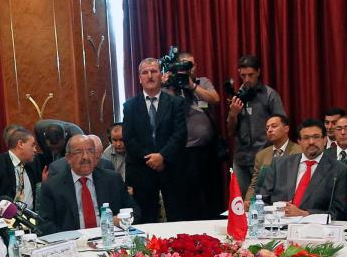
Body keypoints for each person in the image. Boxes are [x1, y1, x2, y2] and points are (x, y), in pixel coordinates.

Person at [120, 57, 188, 221]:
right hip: (142, 170)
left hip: (170, 167)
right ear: (139, 78)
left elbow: (180, 134)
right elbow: (129, 139)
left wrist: (162, 157)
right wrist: (151, 159)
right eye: (145, 72)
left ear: (161, 75)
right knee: (144, 219)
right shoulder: (129, 106)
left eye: (154, 71)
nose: (149, 76)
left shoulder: (176, 103)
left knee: (176, 217)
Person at [38, 134, 136, 233]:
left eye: (90, 151)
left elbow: (134, 211)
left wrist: (121, 219)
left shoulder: (113, 179)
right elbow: (44, 224)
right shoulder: (52, 186)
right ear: (68, 158)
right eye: (79, 152)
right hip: (73, 242)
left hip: (108, 238)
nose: (85, 157)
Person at [170, 50, 224, 218]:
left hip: (208, 150)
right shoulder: (171, 85)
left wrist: (192, 86)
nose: (188, 68)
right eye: (184, 64)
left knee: (212, 194)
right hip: (183, 152)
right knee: (189, 197)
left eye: (191, 64)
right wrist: (169, 84)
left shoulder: (203, 82)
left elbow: (215, 98)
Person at [225, 53, 286, 194]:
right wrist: (233, 114)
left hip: (264, 158)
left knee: (262, 201)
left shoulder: (270, 95)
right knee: (241, 204)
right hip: (241, 159)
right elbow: (230, 131)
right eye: (243, 76)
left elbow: (282, 126)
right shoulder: (237, 96)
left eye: (251, 75)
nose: (247, 80)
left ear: (258, 72)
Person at [256, 120, 339, 218]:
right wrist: (277, 210)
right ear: (299, 142)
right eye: (306, 138)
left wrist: (304, 214)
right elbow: (261, 200)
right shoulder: (279, 164)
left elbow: (337, 212)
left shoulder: (338, 169)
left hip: (314, 228)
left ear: (325, 140)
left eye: (316, 137)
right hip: (278, 224)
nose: (311, 142)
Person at [0, 126, 40, 214]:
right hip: (2, 221)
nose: (35, 150)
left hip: (30, 221)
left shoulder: (32, 166)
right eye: (32, 145)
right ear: (20, 144)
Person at [244, 115, 300, 204]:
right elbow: (254, 184)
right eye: (267, 128)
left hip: (291, 202)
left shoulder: (299, 151)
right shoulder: (261, 155)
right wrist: (248, 201)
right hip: (265, 202)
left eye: (274, 126)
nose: (269, 130)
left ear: (286, 129)